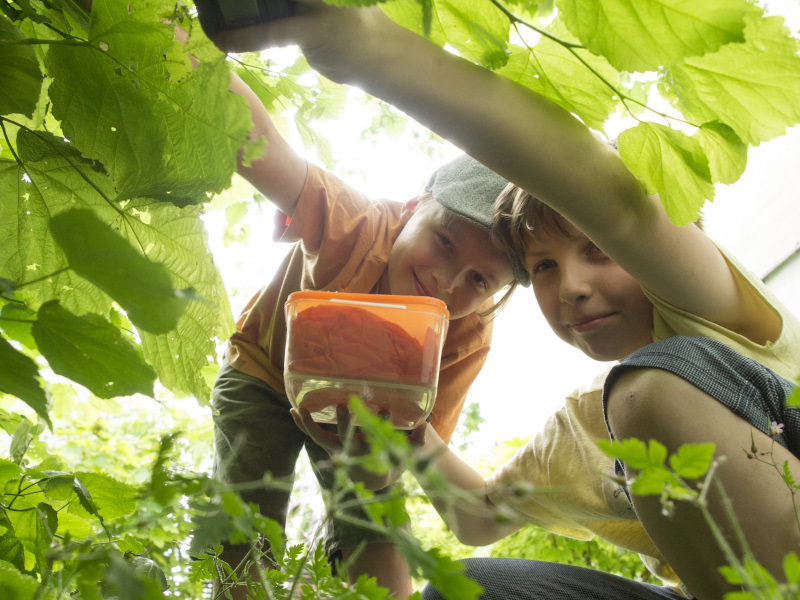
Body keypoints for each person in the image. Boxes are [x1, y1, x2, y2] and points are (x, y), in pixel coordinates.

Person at [215, 3, 800, 599]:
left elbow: (609, 199)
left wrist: (358, 45)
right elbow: (479, 517)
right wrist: (402, 436)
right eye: (543, 266)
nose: (569, 286)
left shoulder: (713, 312)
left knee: (652, 385)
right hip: (702, 589)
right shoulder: (588, 426)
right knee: (468, 587)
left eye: (597, 249)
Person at [210, 56, 530, 598]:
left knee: (379, 530)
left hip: (367, 421)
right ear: (410, 210)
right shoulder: (355, 226)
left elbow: (401, 453)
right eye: (445, 242)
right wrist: (188, 61)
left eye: (480, 279)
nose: (446, 282)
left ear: (498, 293)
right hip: (265, 374)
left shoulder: (465, 336)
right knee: (247, 526)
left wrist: (364, 469)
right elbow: (260, 146)